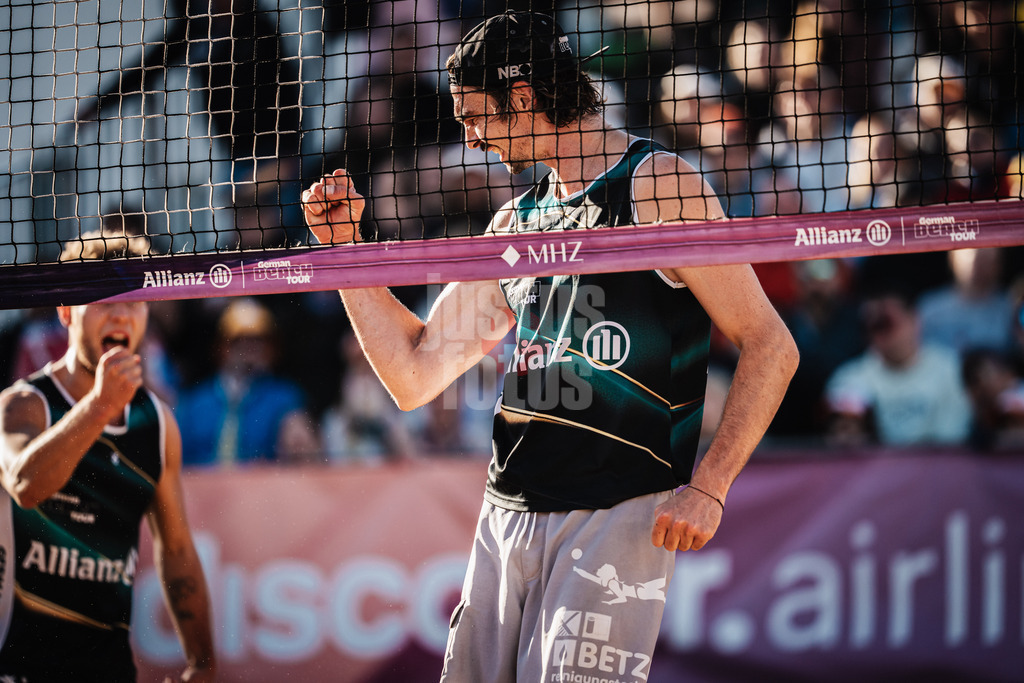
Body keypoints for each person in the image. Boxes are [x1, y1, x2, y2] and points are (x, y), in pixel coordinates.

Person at [302, 11, 797, 682]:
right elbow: (413, 374)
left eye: (475, 116)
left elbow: (771, 344)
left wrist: (710, 486)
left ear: (524, 98)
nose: (470, 140)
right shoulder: (517, 219)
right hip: (506, 516)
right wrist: (345, 255)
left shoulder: (658, 186)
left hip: (614, 515)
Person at [0, 229, 215, 681]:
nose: (120, 314)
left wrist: (202, 662)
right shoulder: (23, 403)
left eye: (133, 300)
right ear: (66, 311)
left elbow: (175, 551)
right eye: (102, 299)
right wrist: (99, 406)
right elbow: (25, 485)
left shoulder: (156, 423)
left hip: (110, 670)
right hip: (21, 668)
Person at [175, 297, 321, 467]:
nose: (250, 350)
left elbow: (303, 454)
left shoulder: (286, 398)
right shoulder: (194, 402)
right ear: (222, 348)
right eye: (239, 341)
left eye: (259, 341)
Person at [825, 287, 972, 448]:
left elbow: (951, 443)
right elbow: (844, 445)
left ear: (914, 320)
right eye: (873, 325)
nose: (879, 330)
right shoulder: (848, 378)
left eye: (886, 321)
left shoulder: (952, 370)